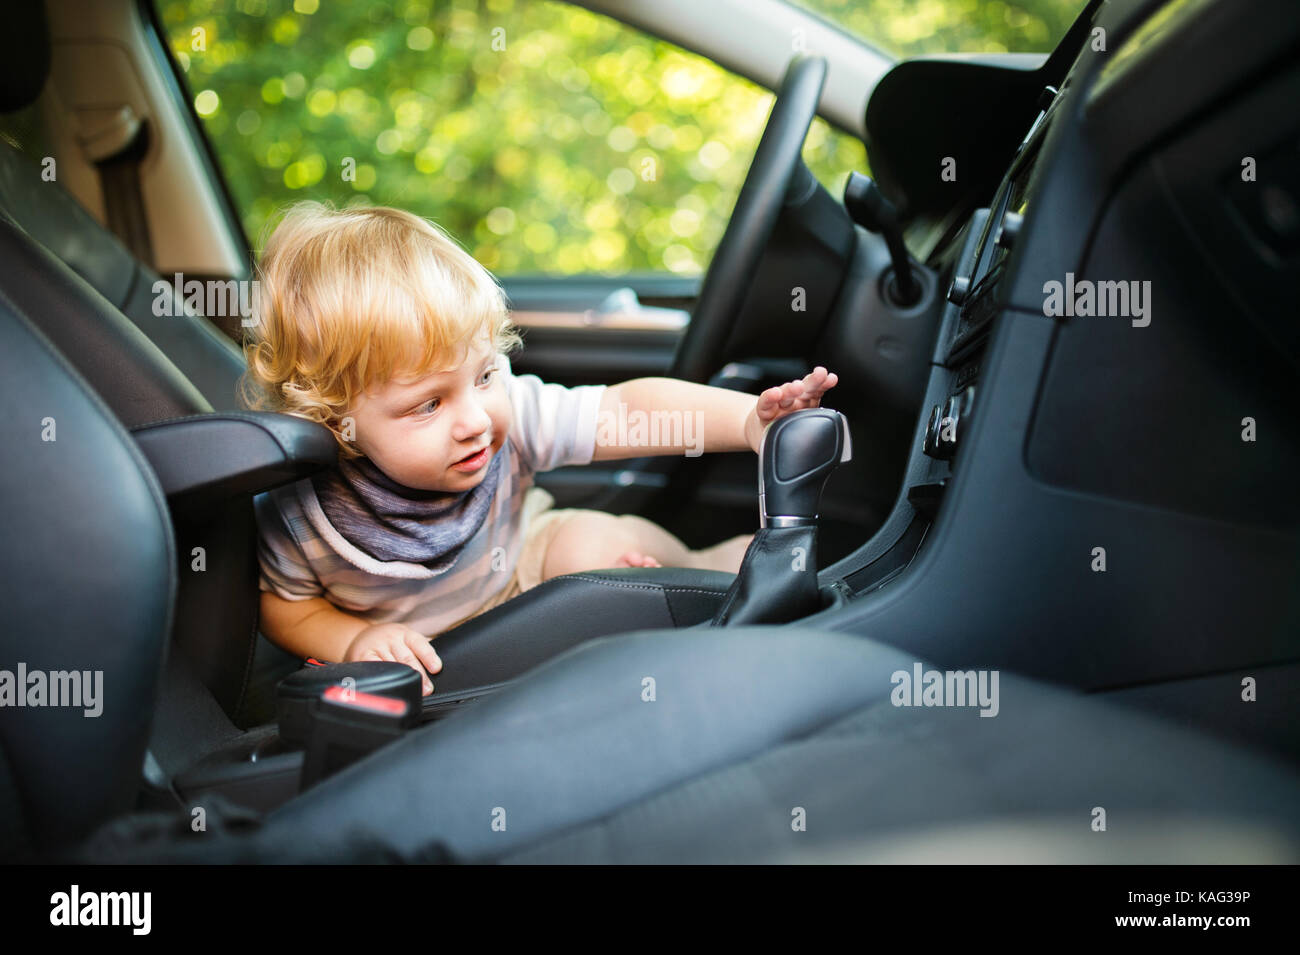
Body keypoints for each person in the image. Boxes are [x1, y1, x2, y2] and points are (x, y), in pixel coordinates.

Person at [244, 202, 838, 694]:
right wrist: (350, 641)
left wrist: (746, 421)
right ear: (333, 418)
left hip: (527, 567)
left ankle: (716, 571)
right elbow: (283, 606)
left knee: (590, 545)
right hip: (431, 659)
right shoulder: (303, 511)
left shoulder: (513, 415)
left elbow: (623, 414)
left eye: (483, 376)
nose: (476, 420)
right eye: (428, 405)